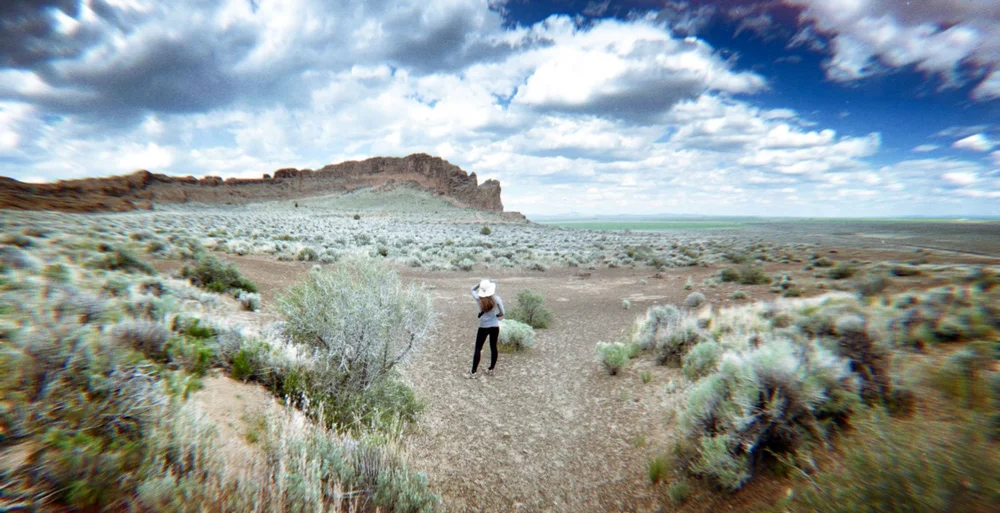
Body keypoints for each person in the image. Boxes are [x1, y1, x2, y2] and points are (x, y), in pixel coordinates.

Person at [465, 278, 504, 379]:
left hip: (483, 326)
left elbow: (472, 289)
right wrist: (495, 316)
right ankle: (491, 369)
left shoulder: (478, 298)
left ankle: (473, 372)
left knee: (478, 348)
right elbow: (502, 313)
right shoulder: (497, 299)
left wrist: (480, 284)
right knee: (493, 347)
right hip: (495, 326)